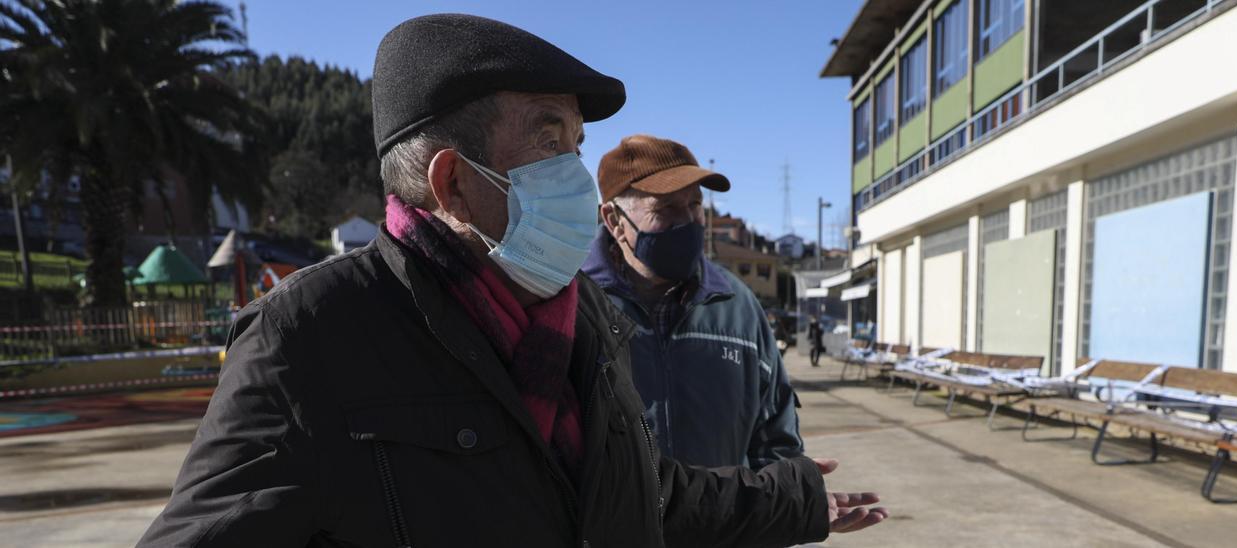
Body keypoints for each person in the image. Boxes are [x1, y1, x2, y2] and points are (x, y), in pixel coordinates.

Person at [138, 14, 886, 548]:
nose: (574, 170)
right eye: (548, 137)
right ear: (455, 183)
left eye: (576, 141)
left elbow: (644, 494)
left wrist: (793, 499)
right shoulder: (309, 336)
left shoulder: (584, 318)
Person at [584, 134, 805, 469]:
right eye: (666, 208)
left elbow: (776, 437)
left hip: (726, 522)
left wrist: (789, 503)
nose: (687, 221)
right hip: (618, 523)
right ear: (614, 221)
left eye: (695, 205)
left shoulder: (737, 305)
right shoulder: (574, 304)